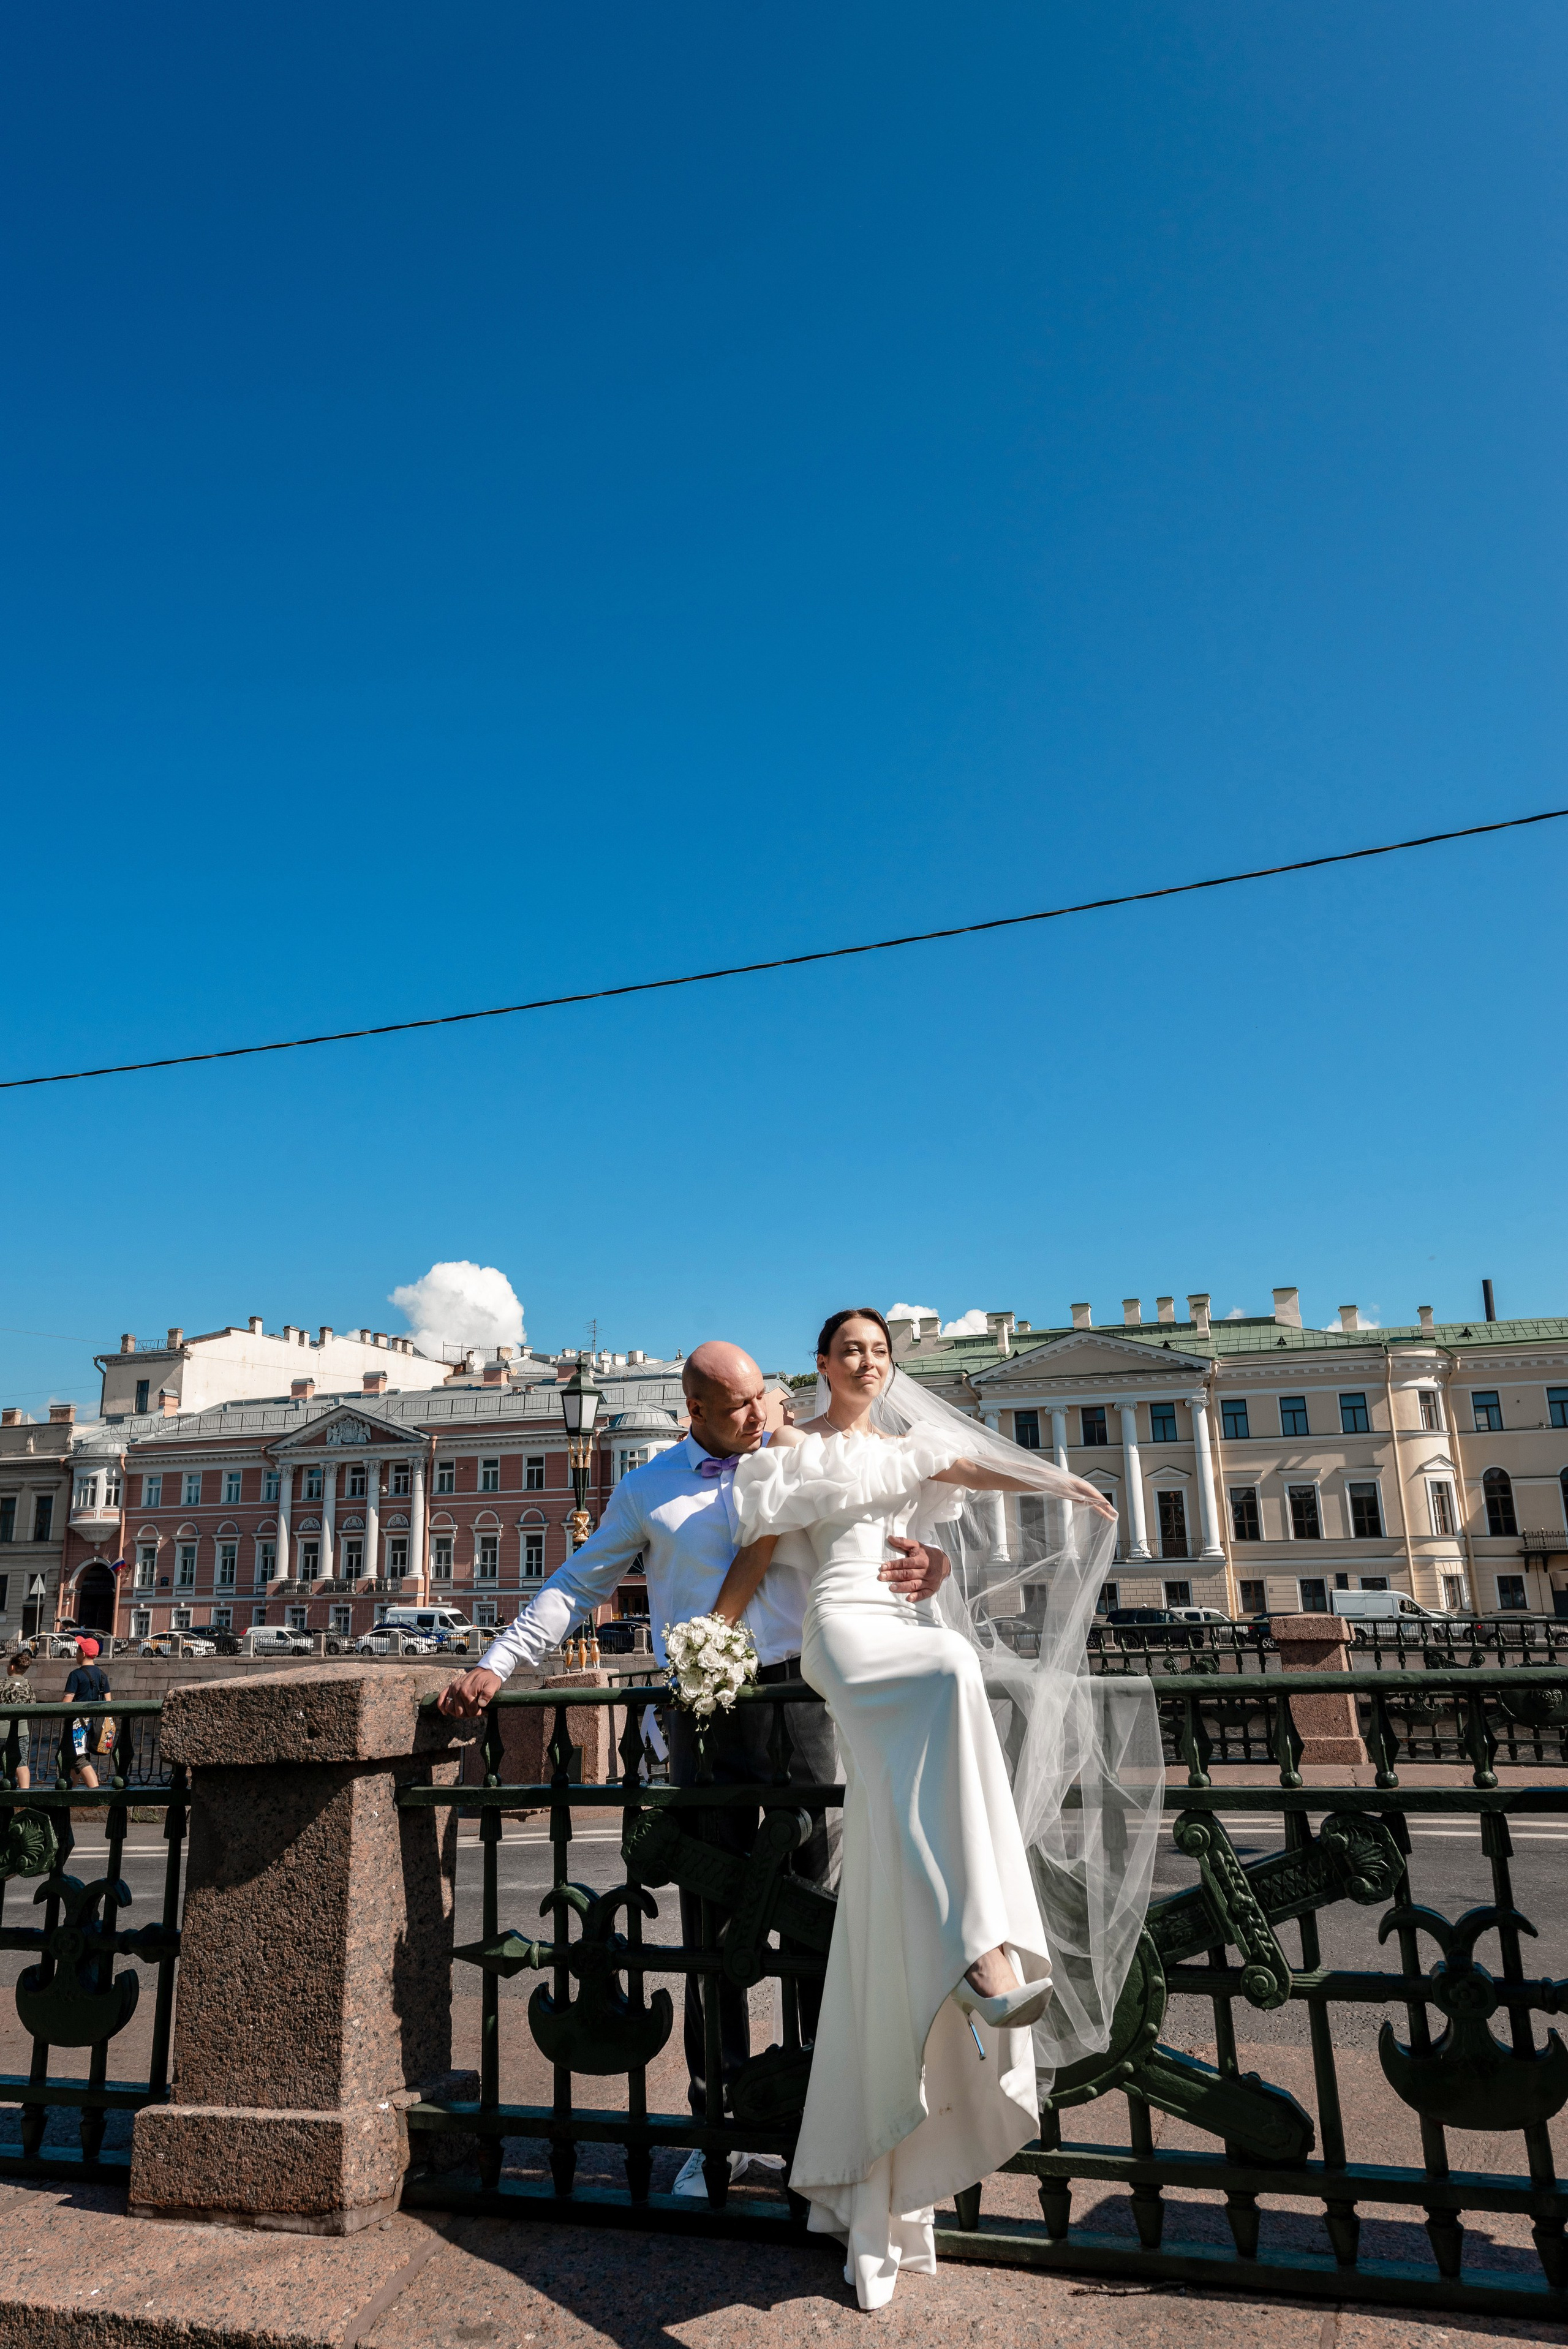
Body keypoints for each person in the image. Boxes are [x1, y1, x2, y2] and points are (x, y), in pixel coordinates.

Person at [708, 1308, 1163, 2310]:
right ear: (822, 1366)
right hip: (844, 1635)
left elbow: (970, 1470)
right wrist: (714, 1640)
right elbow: (761, 1549)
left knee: (934, 1723)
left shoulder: (910, 1448)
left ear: (887, 1365)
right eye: (848, 1351)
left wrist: (1063, 1482)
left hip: (903, 1633)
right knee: (952, 1663)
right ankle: (985, 1947)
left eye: (878, 1351)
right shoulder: (793, 1444)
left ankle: (969, 1962)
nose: (866, 1362)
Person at [439, 1339, 954, 2195]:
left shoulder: (804, 1456)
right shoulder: (649, 1489)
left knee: (816, 1910)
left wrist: (927, 1567)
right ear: (696, 1412)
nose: (762, 1415)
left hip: (800, 1701)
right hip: (702, 1712)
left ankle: (819, 2120)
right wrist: (498, 1661)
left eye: (764, 1396)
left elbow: (890, 1539)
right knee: (710, 1916)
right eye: (740, 1406)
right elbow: (575, 1581)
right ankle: (718, 2125)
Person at [62, 1636, 111, 1789]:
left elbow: (66, 1703)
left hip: (77, 1725)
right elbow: (108, 1702)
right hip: (95, 1724)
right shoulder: (103, 1675)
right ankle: (70, 1792)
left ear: (83, 1653)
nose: (76, 1653)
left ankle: (96, 1792)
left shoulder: (75, 1675)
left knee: (80, 1760)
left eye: (77, 1650)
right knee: (75, 1759)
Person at [3, 1648, 36, 1789]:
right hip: (21, 1732)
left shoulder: (2, 1685)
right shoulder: (28, 1685)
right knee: (21, 1762)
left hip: (1, 1731)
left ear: (11, 1666)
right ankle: (25, 1792)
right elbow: (33, 1705)